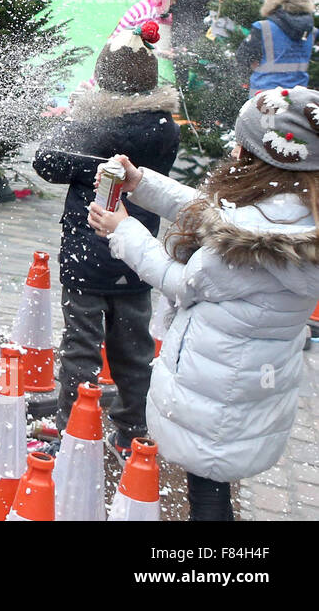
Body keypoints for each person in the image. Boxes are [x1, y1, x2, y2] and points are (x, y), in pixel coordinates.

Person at [89, 86, 319, 520]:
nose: (233, 148)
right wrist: (142, 184)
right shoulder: (292, 209)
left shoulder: (247, 243)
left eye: (241, 143)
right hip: (257, 376)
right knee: (215, 476)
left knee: (208, 489)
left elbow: (178, 281)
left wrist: (123, 230)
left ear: (259, 156)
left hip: (218, 383)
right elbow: (212, 212)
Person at [33, 21, 181, 455]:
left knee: (81, 347)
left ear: (104, 80)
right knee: (133, 349)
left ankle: (73, 428)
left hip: (89, 251)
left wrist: (77, 117)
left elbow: (47, 163)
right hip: (136, 255)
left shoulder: (97, 127)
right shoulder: (163, 127)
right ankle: (134, 428)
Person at [234, 0, 315, 94]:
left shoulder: (262, 27)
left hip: (264, 98)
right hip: (298, 97)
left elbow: (242, 57)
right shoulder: (311, 31)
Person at [169, 0, 211, 88]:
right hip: (195, 35)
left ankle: (181, 90)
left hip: (177, 33)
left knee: (180, 65)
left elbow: (171, 8)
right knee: (196, 64)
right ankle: (194, 93)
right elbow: (208, 15)